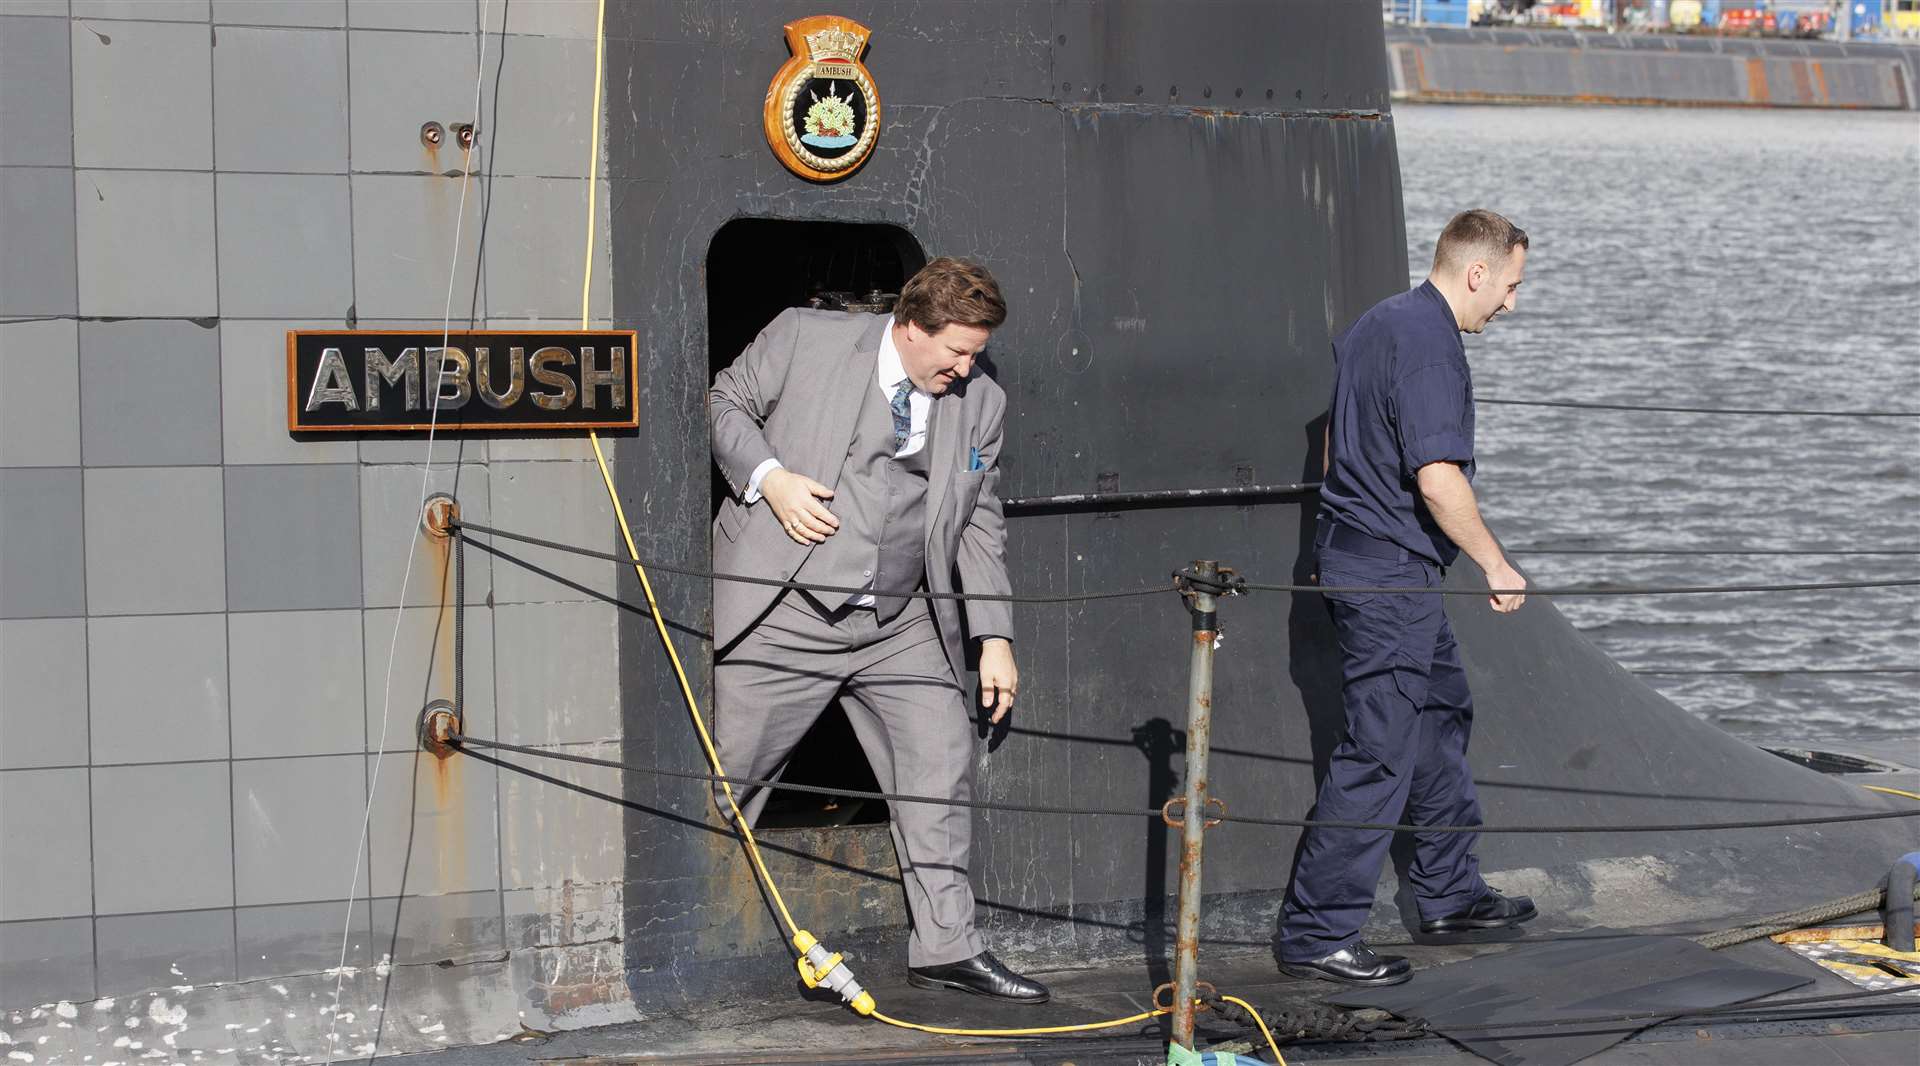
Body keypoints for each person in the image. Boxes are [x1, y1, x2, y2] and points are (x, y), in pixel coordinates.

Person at [707, 257, 1047, 1004]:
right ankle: (691, 949)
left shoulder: (981, 400)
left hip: (898, 619)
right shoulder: (805, 338)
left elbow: (979, 521)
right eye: (956, 349)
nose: (966, 366)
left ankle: (947, 948)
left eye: (976, 351)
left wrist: (995, 637)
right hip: (787, 606)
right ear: (908, 326)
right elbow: (725, 401)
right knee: (723, 780)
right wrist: (773, 478)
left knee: (941, 757)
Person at [1277, 210, 1538, 987]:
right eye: (1511, 288)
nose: (1511, 306)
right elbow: (1437, 477)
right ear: (1476, 273)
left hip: (1377, 564)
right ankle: (1318, 935)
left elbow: (1333, 442)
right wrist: (1494, 562)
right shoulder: (1430, 349)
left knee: (1438, 715)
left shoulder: (1378, 323)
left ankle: (1449, 892)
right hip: (1388, 574)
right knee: (1380, 749)